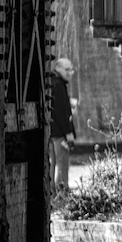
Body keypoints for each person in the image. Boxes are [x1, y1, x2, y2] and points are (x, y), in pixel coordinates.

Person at [48, 57, 76, 193]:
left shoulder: (51, 82)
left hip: (51, 132)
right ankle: (63, 193)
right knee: (62, 164)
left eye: (71, 70)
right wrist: (69, 133)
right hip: (60, 133)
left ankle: (52, 194)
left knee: (52, 164)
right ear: (58, 68)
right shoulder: (59, 85)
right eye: (67, 69)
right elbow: (61, 112)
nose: (70, 72)